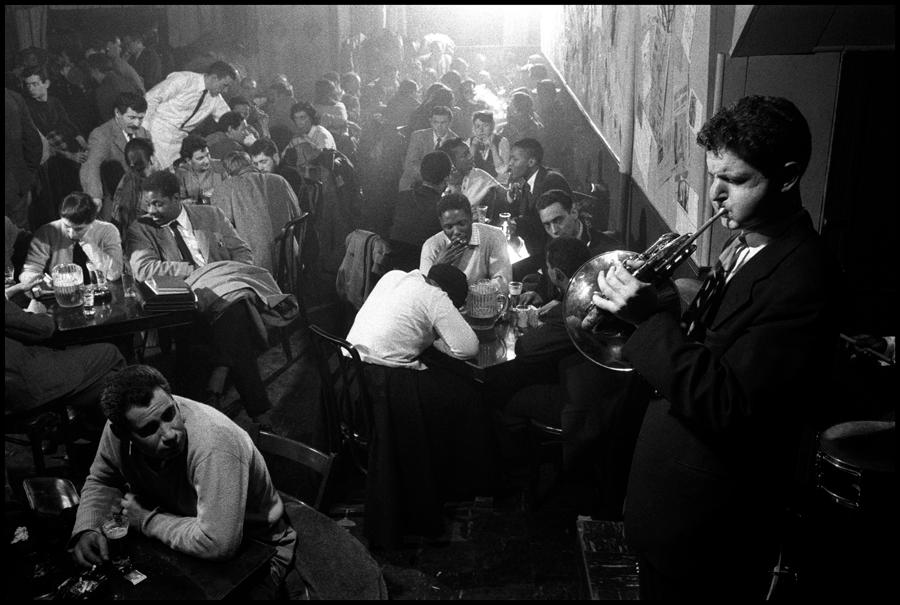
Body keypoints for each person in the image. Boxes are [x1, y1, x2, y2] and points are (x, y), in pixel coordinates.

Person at [593, 95, 837, 598]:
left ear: (788, 177)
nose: (715, 196)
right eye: (713, 177)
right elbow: (717, 334)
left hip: (708, 529)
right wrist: (670, 297)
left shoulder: (804, 276)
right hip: (669, 506)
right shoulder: (744, 240)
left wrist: (648, 320)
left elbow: (731, 404)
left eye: (737, 180)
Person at [69, 365, 298, 599]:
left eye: (169, 414)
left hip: (255, 549)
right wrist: (88, 526)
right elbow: (102, 480)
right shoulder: (118, 428)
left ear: (172, 399)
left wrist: (146, 518)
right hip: (183, 532)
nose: (169, 434)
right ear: (122, 433)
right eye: (150, 429)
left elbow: (217, 543)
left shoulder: (215, 443)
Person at [346, 264, 495, 547]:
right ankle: (456, 475)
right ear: (450, 296)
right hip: (383, 387)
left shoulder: (395, 276)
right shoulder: (436, 297)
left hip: (349, 377)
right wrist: (440, 338)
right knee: (467, 396)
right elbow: (468, 348)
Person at [127, 171, 280, 418]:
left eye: (158, 203)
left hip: (226, 286)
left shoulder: (211, 215)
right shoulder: (141, 229)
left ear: (177, 198)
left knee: (233, 307)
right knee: (237, 314)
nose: (151, 211)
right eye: (148, 204)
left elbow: (242, 251)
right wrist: (194, 270)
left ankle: (219, 380)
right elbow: (143, 269)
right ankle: (254, 407)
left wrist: (233, 275)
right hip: (186, 296)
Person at [211, 150, 301, 273]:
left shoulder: (226, 187)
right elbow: (297, 213)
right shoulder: (279, 180)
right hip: (289, 256)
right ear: (250, 164)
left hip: (254, 265)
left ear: (227, 172)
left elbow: (219, 229)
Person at [142, 61, 237, 170]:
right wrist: (144, 130)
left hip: (178, 143)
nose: (225, 91)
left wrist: (249, 138)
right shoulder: (183, 79)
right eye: (224, 85)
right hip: (155, 133)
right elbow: (150, 98)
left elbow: (231, 120)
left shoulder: (216, 99)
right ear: (214, 78)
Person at [20, 192, 124, 286]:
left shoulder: (108, 230)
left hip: (100, 293)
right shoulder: (47, 232)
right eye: (66, 226)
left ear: (92, 222)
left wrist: (87, 242)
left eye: (79, 229)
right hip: (60, 296)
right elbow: (28, 272)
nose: (71, 234)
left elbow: (114, 274)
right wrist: (41, 280)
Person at [506, 138, 572, 280]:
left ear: (531, 162)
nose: (510, 164)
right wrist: (512, 203)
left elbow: (544, 223)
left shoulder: (551, 180)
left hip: (551, 251)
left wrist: (516, 225)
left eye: (515, 159)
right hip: (532, 248)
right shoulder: (527, 184)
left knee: (509, 272)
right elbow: (525, 214)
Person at [419, 192, 511, 289]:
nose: (456, 231)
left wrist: (467, 296)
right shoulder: (431, 246)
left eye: (461, 224)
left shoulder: (494, 236)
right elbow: (424, 293)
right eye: (449, 227)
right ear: (441, 224)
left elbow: (503, 284)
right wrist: (438, 269)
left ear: (471, 217)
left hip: (483, 303)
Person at [80, 92, 150, 215]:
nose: (137, 124)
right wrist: (94, 196)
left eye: (141, 118)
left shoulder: (143, 133)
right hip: (113, 200)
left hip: (140, 199)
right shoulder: (101, 134)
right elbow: (91, 165)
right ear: (117, 113)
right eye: (132, 117)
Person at [388, 151, 452, 271]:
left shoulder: (402, 197)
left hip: (394, 267)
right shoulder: (445, 208)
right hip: (425, 270)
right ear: (446, 179)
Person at [5, 87, 44, 229]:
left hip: (15, 184)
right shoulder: (13, 98)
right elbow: (33, 143)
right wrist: (26, 177)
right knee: (18, 237)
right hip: (15, 186)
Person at [439, 137, 507, 216]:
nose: (471, 157)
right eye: (465, 155)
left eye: (469, 153)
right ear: (452, 163)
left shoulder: (480, 176)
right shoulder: (441, 184)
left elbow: (505, 196)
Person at [399, 105, 457, 191]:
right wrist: (429, 180)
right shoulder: (418, 136)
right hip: (414, 183)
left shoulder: (455, 142)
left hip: (440, 187)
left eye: (443, 122)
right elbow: (410, 164)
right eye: (435, 122)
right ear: (430, 121)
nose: (439, 126)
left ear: (450, 122)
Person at [248, 138, 306, 211]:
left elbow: (286, 208)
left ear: (275, 158)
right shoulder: (261, 176)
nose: (259, 168)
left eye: (263, 162)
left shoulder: (291, 175)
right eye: (256, 164)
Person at [281, 102, 335, 172]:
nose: (299, 122)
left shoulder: (322, 134)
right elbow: (283, 156)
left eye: (302, 117)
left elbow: (325, 163)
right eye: (296, 118)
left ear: (311, 118)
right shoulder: (298, 136)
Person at [174, 134, 226, 202]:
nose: (207, 161)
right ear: (188, 160)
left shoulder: (220, 166)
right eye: (200, 158)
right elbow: (180, 201)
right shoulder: (181, 173)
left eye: (208, 155)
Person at [468, 110, 510, 184]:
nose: (481, 130)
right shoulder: (470, 142)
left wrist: (493, 148)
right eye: (478, 126)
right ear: (474, 128)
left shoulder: (502, 141)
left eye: (485, 126)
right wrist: (473, 147)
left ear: (492, 126)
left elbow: (502, 170)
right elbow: (466, 167)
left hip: (497, 184)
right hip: (475, 186)